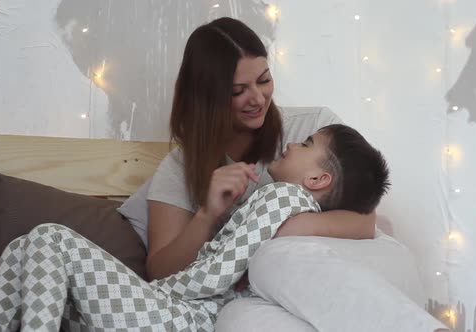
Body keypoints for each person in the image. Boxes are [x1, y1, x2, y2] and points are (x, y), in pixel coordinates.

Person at [0, 122, 388, 332]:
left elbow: (217, 274)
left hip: (184, 319)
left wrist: (149, 290)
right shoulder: (286, 203)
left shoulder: (281, 197)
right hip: (168, 310)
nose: (295, 143)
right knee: (23, 245)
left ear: (318, 180)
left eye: (308, 144)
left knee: (49, 238)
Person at [145, 17, 376, 285]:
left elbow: (365, 221)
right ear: (206, 98)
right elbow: (159, 273)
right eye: (237, 91)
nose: (257, 99)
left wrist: (276, 231)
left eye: (264, 80)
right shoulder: (179, 169)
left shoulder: (316, 127)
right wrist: (207, 215)